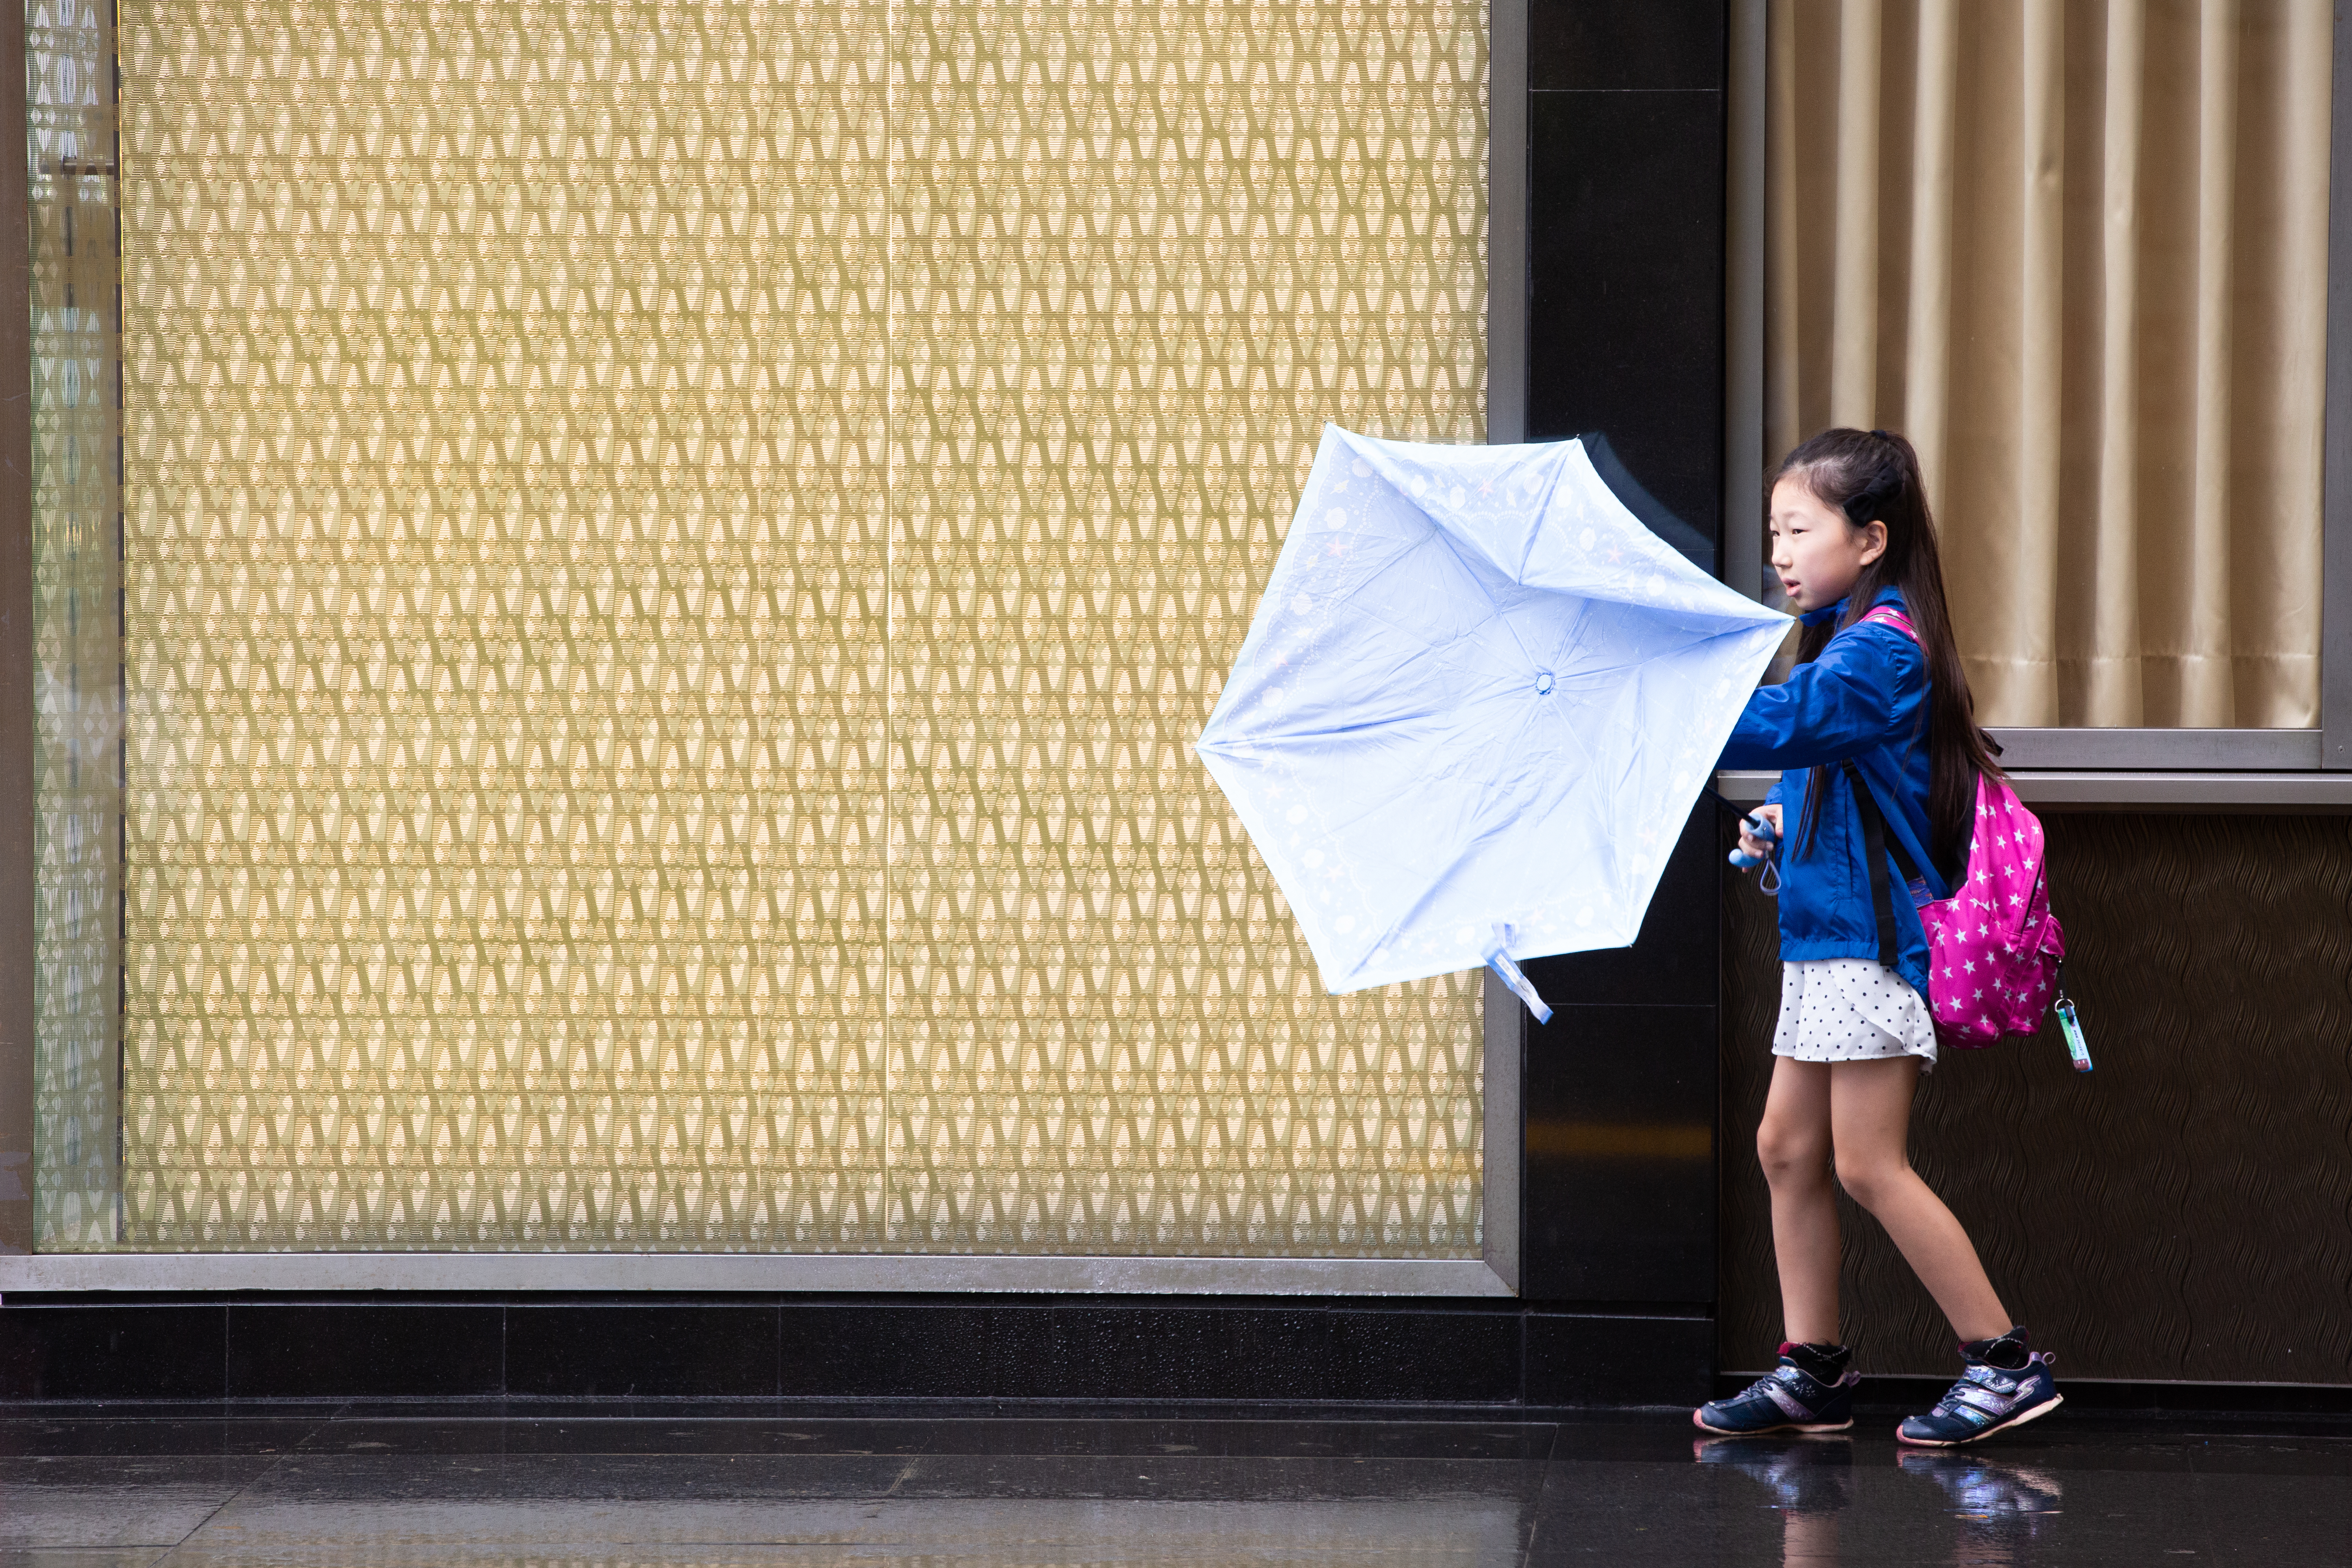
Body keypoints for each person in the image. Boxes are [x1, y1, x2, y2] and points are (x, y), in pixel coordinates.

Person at [1693, 428, 2062, 1446]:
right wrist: (1776, 819)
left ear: (1870, 539)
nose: (1779, 552)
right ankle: (1812, 1369)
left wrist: (1660, 699)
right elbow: (1821, 759)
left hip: (1871, 947)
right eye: (1774, 531)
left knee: (1866, 1164)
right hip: (1826, 940)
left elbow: (1788, 724)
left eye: (1798, 529)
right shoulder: (1851, 638)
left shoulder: (1885, 647)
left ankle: (2005, 1362)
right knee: (1787, 1149)